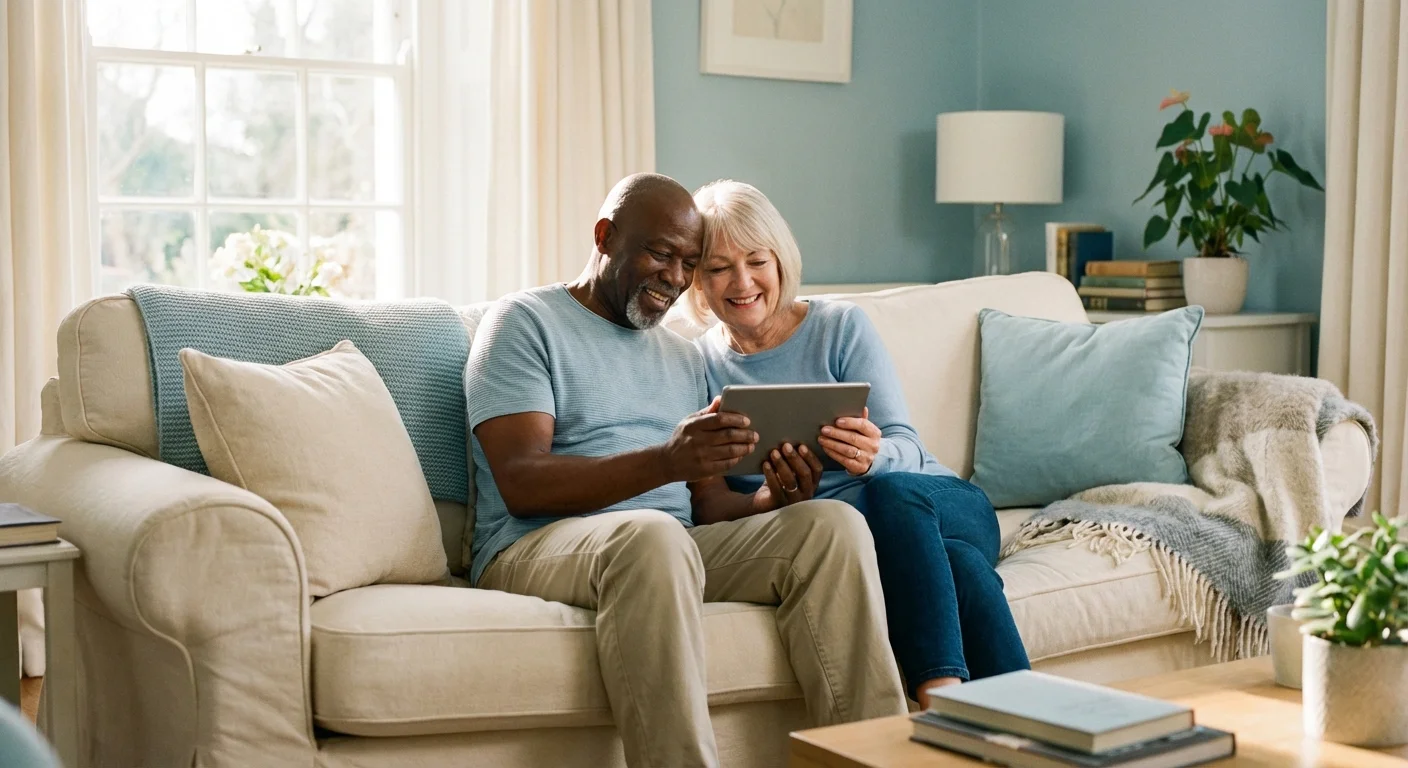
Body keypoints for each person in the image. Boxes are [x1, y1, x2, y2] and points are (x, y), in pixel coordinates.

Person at [466, 173, 907, 768]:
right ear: (605, 237)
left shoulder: (681, 354)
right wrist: (664, 461)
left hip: (670, 545)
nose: (674, 277)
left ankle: (874, 759)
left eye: (689, 262)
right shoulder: (524, 322)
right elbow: (522, 482)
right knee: (652, 535)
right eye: (659, 253)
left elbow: (707, 506)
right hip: (534, 545)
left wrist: (770, 502)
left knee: (830, 525)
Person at [681, 179, 1032, 709]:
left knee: (893, 496)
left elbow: (906, 447)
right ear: (698, 284)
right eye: (718, 267)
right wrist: (770, 500)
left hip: (938, 505)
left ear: (780, 262)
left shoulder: (839, 326)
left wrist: (874, 456)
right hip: (869, 543)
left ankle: (937, 701)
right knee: (960, 568)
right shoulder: (694, 367)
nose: (743, 281)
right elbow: (709, 506)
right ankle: (1035, 722)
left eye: (756, 260)